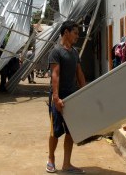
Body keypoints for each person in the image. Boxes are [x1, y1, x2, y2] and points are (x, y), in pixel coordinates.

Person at [46, 20, 86, 174]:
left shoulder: (75, 52)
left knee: (70, 132)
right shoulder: (56, 52)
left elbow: (79, 74)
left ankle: (67, 164)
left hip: (72, 97)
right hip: (58, 97)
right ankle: (51, 159)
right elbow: (55, 75)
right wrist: (56, 98)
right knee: (55, 132)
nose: (77, 36)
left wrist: (85, 91)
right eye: (75, 33)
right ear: (66, 32)